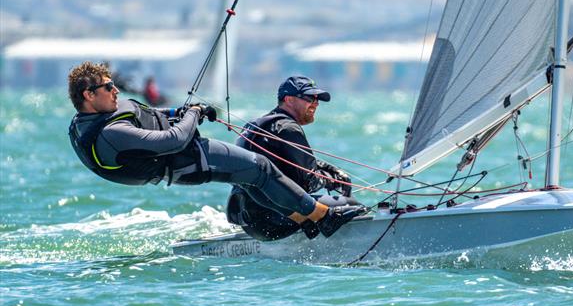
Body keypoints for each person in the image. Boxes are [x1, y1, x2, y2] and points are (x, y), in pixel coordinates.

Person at [67, 61, 364, 238]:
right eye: (108, 87)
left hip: (189, 155)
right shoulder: (111, 135)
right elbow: (173, 140)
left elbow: (155, 114)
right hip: (189, 161)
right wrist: (192, 114)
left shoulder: (106, 113)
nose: (116, 89)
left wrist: (182, 109)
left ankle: (305, 219)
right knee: (259, 168)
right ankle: (322, 215)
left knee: (253, 175)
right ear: (89, 96)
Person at [226, 76, 361, 240]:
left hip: (249, 223)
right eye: (310, 98)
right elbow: (309, 182)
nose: (316, 103)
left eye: (317, 99)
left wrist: (330, 169)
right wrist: (332, 180)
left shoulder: (257, 125)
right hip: (275, 221)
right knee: (352, 205)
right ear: (289, 99)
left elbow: (281, 163)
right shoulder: (288, 128)